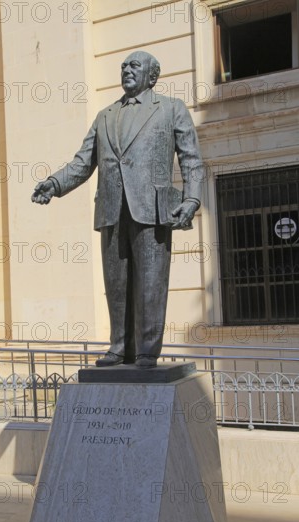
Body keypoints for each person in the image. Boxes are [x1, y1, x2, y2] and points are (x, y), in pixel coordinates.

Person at [31, 51, 204, 369]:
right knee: (117, 284)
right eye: (123, 65)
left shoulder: (170, 109)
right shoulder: (105, 116)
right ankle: (119, 346)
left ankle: (147, 351)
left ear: (152, 75)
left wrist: (191, 200)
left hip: (152, 209)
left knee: (151, 282)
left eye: (135, 65)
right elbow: (83, 163)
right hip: (111, 209)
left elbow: (191, 158)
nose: (126, 69)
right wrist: (54, 184)